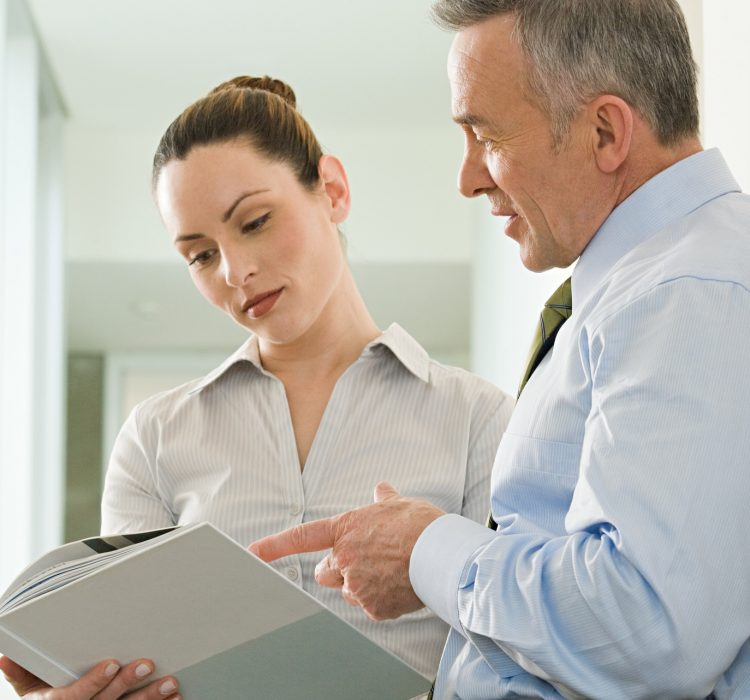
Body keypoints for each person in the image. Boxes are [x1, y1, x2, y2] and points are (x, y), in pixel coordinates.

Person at [250, 1, 750, 698]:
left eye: (484, 135)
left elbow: (647, 628)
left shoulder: (687, 292)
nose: (468, 178)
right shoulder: (651, 289)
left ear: (605, 131)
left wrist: (425, 551)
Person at [0, 75, 512, 699]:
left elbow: (511, 646)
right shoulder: (157, 437)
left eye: (255, 221)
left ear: (332, 190)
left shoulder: (477, 419)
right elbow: (133, 657)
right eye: (199, 255)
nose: (235, 272)